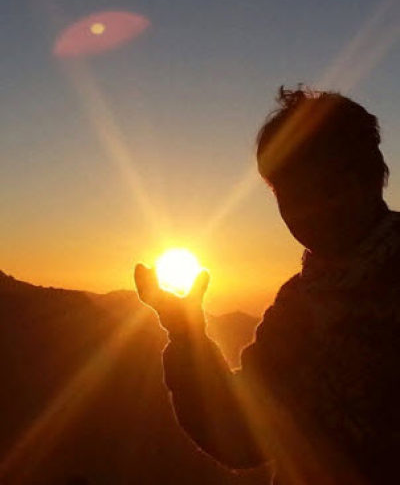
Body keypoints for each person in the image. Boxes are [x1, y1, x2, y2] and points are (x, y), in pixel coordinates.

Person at [135, 86, 400, 485]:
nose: (312, 210)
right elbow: (240, 436)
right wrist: (186, 336)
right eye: (292, 195)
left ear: (367, 176)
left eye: (327, 186)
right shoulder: (297, 306)